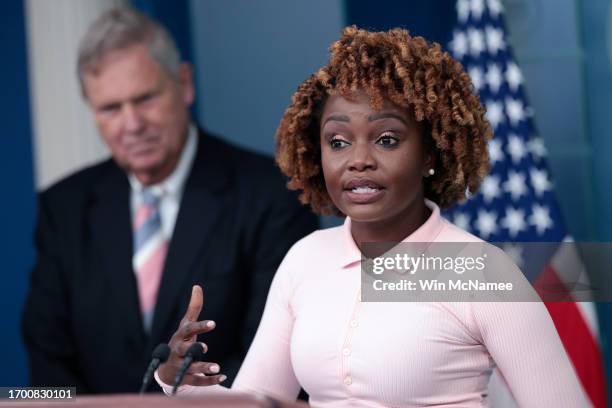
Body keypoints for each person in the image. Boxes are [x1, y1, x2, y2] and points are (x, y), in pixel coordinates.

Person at [154, 26, 590, 407]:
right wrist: (177, 380)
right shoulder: (304, 261)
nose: (358, 160)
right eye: (338, 142)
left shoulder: (483, 272)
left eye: (386, 138)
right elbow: (256, 404)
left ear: (430, 153)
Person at [21, 7, 318, 394]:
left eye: (144, 99)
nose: (131, 124)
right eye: (110, 108)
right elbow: (48, 360)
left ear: (184, 84)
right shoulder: (63, 207)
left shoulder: (271, 195)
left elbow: (268, 356)